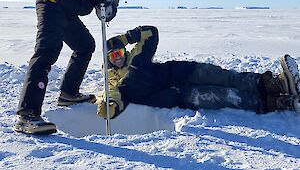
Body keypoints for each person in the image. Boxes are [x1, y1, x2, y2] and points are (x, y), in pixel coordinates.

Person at [15, 0, 153, 135]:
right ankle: (26, 115)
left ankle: (68, 94)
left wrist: (105, 8)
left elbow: (107, 11)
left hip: (67, 11)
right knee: (47, 51)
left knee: (85, 46)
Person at [97, 26, 300, 119]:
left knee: (227, 77)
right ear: (107, 60)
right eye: (113, 56)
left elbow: (151, 33)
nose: (118, 57)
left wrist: (126, 37)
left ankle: (278, 84)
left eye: (119, 52)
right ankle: (280, 103)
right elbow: (112, 94)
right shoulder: (114, 82)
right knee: (225, 96)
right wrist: (110, 105)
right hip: (179, 96)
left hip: (184, 72)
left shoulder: (136, 58)